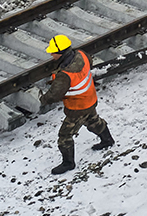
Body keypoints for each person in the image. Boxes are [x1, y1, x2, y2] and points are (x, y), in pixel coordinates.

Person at [40, 34, 115, 174]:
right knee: (93, 120)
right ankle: (107, 140)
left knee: (65, 136)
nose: (51, 54)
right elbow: (89, 64)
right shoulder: (81, 54)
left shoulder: (65, 74)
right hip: (90, 98)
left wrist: (43, 99)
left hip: (77, 107)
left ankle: (68, 163)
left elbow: (54, 95)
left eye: (53, 52)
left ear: (60, 53)